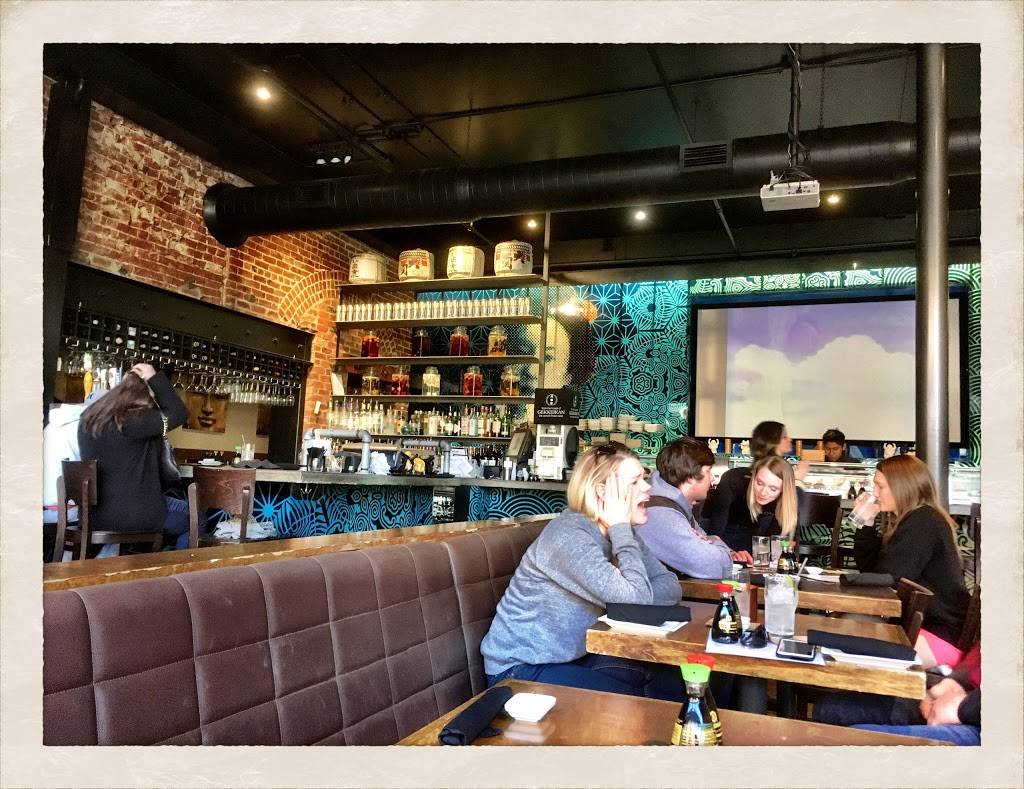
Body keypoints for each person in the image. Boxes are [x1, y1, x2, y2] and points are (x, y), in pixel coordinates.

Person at [480, 442, 685, 701]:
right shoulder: (570, 535)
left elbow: (670, 585)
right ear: (603, 492)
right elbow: (637, 602)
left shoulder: (623, 534)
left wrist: (631, 591)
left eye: (644, 479)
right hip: (520, 668)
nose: (647, 487)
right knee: (635, 705)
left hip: (576, 657)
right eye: (635, 482)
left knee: (673, 678)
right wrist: (630, 589)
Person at [851, 454, 969, 668]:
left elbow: (886, 578)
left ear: (901, 487)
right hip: (923, 626)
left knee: (850, 640)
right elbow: (872, 571)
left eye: (880, 486)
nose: (874, 493)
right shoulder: (912, 519)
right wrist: (866, 524)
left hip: (938, 635)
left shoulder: (923, 521)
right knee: (850, 624)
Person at [77, 362, 189, 555]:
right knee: (197, 518)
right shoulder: (137, 420)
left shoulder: (89, 419)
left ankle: (141, 561)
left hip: (95, 516)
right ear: (146, 398)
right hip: (135, 516)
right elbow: (179, 414)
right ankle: (172, 570)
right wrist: (154, 377)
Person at [814, 641, 980, 746]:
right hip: (967, 696)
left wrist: (963, 708)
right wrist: (954, 682)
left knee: (849, 741)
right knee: (831, 707)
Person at [638, 437, 753, 578]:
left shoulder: (673, 504)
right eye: (708, 471)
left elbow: (706, 542)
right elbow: (711, 565)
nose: (712, 479)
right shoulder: (662, 515)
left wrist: (727, 552)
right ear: (690, 477)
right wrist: (718, 544)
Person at [706, 420, 808, 547]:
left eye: (773, 488)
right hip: (732, 552)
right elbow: (715, 533)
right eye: (784, 437)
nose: (764, 492)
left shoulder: (733, 477)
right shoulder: (735, 479)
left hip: (759, 552)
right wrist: (798, 483)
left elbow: (779, 543)